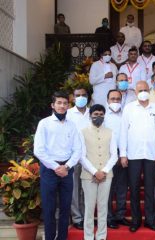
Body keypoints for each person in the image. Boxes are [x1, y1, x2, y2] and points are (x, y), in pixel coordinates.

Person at [119, 81, 155, 232]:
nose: (144, 92)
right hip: (133, 154)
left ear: (150, 90)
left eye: (146, 90)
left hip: (151, 155)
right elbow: (123, 133)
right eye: (141, 90)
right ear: (135, 91)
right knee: (133, 189)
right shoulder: (128, 108)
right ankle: (135, 220)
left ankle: (150, 220)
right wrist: (123, 154)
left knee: (149, 188)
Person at [34, 91, 82, 240]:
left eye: (65, 103)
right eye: (59, 103)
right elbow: (38, 150)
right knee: (49, 209)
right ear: (53, 105)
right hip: (49, 170)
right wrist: (56, 167)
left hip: (67, 170)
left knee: (65, 208)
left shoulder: (72, 126)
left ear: (68, 105)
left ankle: (62, 237)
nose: (62, 106)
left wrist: (66, 167)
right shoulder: (44, 123)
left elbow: (77, 149)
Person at [80, 104, 117, 240]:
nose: (98, 117)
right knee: (89, 208)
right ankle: (88, 237)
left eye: (101, 115)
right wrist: (95, 172)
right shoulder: (82, 132)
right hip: (88, 175)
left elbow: (114, 155)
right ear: (90, 115)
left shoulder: (110, 132)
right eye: (96, 114)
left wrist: (104, 171)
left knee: (103, 207)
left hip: (107, 176)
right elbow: (81, 156)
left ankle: (101, 236)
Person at [104, 90, 131, 229]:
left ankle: (120, 215)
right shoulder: (103, 116)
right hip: (108, 155)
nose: (115, 101)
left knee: (122, 186)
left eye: (117, 99)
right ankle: (109, 217)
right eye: (112, 99)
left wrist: (124, 154)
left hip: (123, 154)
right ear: (107, 100)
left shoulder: (126, 114)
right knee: (108, 187)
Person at [66, 87, 91, 230]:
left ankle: (86, 216)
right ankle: (77, 218)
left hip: (89, 156)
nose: (81, 97)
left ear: (87, 97)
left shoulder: (92, 112)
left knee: (86, 188)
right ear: (73, 98)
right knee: (74, 188)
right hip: (73, 157)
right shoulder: (68, 114)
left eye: (83, 95)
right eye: (78, 95)